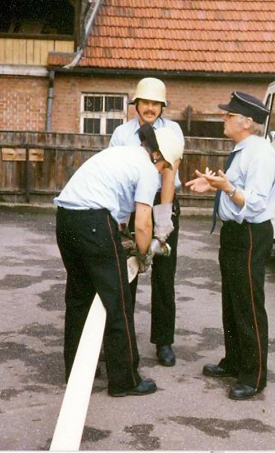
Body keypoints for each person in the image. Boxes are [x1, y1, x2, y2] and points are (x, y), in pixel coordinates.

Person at [54, 124, 184, 397]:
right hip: (93, 221)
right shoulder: (147, 170)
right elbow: (143, 224)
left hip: (66, 218)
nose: (162, 172)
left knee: (79, 298)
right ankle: (124, 380)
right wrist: (145, 255)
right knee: (119, 301)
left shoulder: (123, 155)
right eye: (165, 167)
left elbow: (121, 213)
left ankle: (77, 370)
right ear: (158, 156)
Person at [185, 91, 275, 400]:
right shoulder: (243, 150)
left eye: (228, 115)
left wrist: (226, 188)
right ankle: (235, 361)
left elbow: (255, 203)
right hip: (235, 233)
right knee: (232, 300)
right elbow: (236, 190)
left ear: (247, 122)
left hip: (250, 233)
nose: (223, 119)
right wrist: (217, 186)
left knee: (248, 303)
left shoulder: (260, 154)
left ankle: (254, 376)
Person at [109, 77, 185, 367]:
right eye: (145, 103)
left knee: (164, 274)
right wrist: (119, 219)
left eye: (156, 103)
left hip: (161, 200)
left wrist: (163, 220)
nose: (150, 108)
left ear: (162, 106)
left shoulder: (172, 131)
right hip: (130, 205)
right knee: (127, 272)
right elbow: (116, 175)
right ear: (136, 104)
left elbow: (169, 175)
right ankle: (122, 339)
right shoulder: (122, 133)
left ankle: (164, 341)